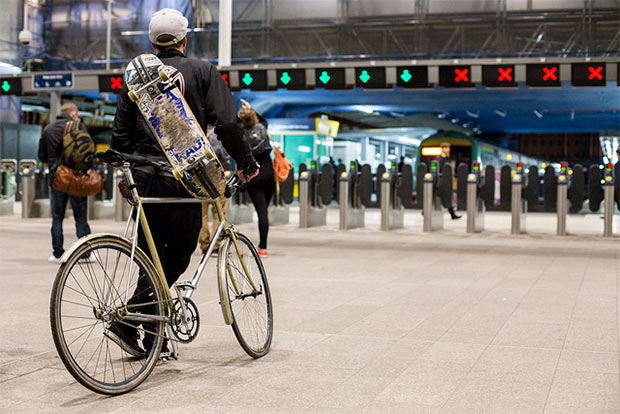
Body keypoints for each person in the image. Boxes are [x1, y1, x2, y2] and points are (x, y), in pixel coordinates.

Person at [108, 8, 258, 358]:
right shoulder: (202, 71)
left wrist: (126, 175)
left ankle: (155, 340)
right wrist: (247, 162)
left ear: (152, 43)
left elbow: (120, 136)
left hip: (143, 178)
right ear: (184, 39)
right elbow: (227, 123)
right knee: (177, 258)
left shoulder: (136, 78)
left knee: (151, 258)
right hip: (182, 177)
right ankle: (131, 320)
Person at [37, 102, 92, 263]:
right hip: (75, 177)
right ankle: (86, 252)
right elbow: (87, 152)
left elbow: (41, 156)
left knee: (57, 217)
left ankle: (57, 253)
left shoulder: (48, 129)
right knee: (80, 217)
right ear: (73, 113)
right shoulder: (77, 126)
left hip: (57, 178)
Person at [238, 104, 275, 258]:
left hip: (253, 177)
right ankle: (263, 246)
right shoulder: (262, 129)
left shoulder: (241, 135)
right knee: (264, 212)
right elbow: (264, 120)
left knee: (261, 213)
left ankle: (263, 247)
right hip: (269, 177)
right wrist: (251, 108)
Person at [198, 129, 231, 255]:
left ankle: (204, 244)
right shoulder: (219, 134)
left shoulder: (200, 132)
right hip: (217, 178)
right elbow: (226, 156)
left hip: (201, 178)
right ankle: (216, 244)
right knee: (219, 212)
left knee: (202, 215)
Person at [437, 142, 461, 220]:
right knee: (440, 197)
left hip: (447, 181)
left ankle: (453, 214)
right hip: (441, 181)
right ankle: (453, 214)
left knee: (445, 198)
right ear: (443, 149)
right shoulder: (439, 159)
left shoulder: (447, 159)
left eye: (449, 148)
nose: (448, 149)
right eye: (447, 148)